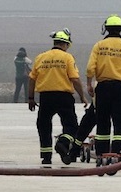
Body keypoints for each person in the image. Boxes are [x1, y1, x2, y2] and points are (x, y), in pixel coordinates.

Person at [28, 28, 88, 165]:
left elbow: (31, 79)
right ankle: (63, 142)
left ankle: (46, 156)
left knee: (43, 125)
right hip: (64, 97)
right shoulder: (67, 57)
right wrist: (82, 97)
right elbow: (75, 79)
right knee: (71, 125)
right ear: (66, 44)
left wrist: (30, 98)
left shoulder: (41, 57)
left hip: (45, 97)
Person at [86, 14, 121, 165]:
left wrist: (89, 84)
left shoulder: (99, 45)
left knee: (102, 121)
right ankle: (117, 154)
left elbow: (90, 68)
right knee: (120, 122)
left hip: (103, 87)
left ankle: (102, 154)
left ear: (106, 28)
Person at [69, 84, 121, 161]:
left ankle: (74, 150)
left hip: (105, 100)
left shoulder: (103, 79)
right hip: (110, 100)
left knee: (89, 124)